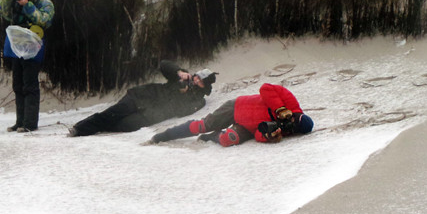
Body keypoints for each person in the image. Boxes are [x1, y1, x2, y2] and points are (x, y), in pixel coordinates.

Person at [69, 60, 217, 137]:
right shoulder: (182, 76)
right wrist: (178, 72)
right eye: (198, 77)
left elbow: (182, 111)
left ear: (205, 86)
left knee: (122, 126)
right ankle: (79, 129)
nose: (197, 81)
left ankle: (92, 129)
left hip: (149, 115)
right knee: (112, 114)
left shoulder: (199, 100)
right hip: (141, 97)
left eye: (201, 82)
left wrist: (182, 94)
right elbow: (164, 64)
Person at [150, 83, 313, 146]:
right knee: (201, 125)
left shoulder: (286, 129)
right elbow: (265, 88)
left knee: (229, 139)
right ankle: (163, 136)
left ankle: (211, 137)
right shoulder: (290, 102)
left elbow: (257, 134)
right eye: (294, 119)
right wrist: (280, 109)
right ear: (298, 115)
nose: (291, 122)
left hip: (247, 127)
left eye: (294, 126)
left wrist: (269, 136)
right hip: (237, 107)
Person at [0, 0, 55, 132]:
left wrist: (27, 5)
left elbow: (44, 20)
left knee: (30, 85)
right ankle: (20, 121)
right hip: (17, 48)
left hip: (33, 48)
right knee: (18, 84)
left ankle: (30, 123)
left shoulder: (45, 3)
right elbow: (1, 9)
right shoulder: (16, 0)